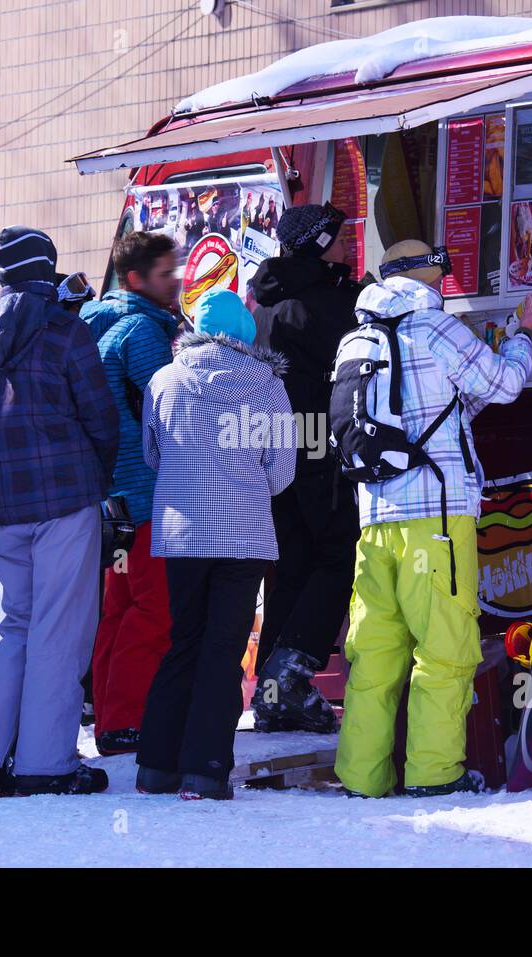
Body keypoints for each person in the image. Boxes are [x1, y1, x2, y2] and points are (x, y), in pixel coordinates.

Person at [333, 240, 532, 798]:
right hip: (435, 516)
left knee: (374, 655)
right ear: (425, 274)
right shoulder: (435, 326)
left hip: (374, 519)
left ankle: (362, 779)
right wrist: (524, 335)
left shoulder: (356, 337)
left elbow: (436, 411)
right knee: (445, 649)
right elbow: (504, 385)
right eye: (442, 267)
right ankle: (435, 776)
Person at [0, 227, 120, 797]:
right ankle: (46, 762)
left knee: (19, 626)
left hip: (8, 505)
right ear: (46, 268)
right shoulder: (65, 331)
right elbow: (101, 417)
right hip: (66, 499)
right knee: (61, 630)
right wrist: (98, 476)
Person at [135, 290, 297, 800]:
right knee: (224, 649)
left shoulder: (164, 379)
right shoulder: (268, 385)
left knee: (183, 641)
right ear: (246, 332)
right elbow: (282, 470)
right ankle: (205, 770)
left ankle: (156, 767)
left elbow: (152, 454)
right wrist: (243, 485)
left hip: (181, 534)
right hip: (243, 534)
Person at [248, 202, 362, 734]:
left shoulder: (266, 299)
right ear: (317, 243)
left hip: (272, 443)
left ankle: (272, 692)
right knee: (338, 552)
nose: (347, 244)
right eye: (338, 237)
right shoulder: (321, 301)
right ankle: (291, 672)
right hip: (314, 440)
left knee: (291, 564)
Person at [82, 232, 181, 757]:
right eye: (165, 274)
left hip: (110, 501)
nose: (176, 281)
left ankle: (110, 718)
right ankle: (126, 724)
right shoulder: (142, 331)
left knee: (118, 610)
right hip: (144, 498)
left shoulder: (98, 325)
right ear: (136, 279)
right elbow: (168, 411)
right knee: (154, 611)